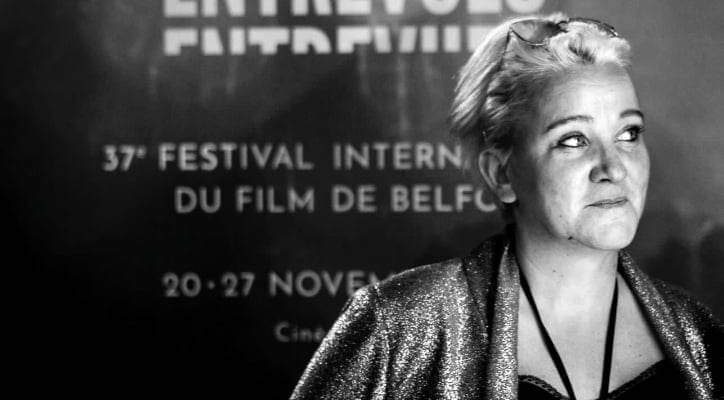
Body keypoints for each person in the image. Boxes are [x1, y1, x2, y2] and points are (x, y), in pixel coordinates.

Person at [291, 13, 722, 400]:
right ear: (502, 174)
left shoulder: (701, 335)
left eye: (629, 133)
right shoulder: (398, 326)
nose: (613, 167)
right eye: (573, 140)